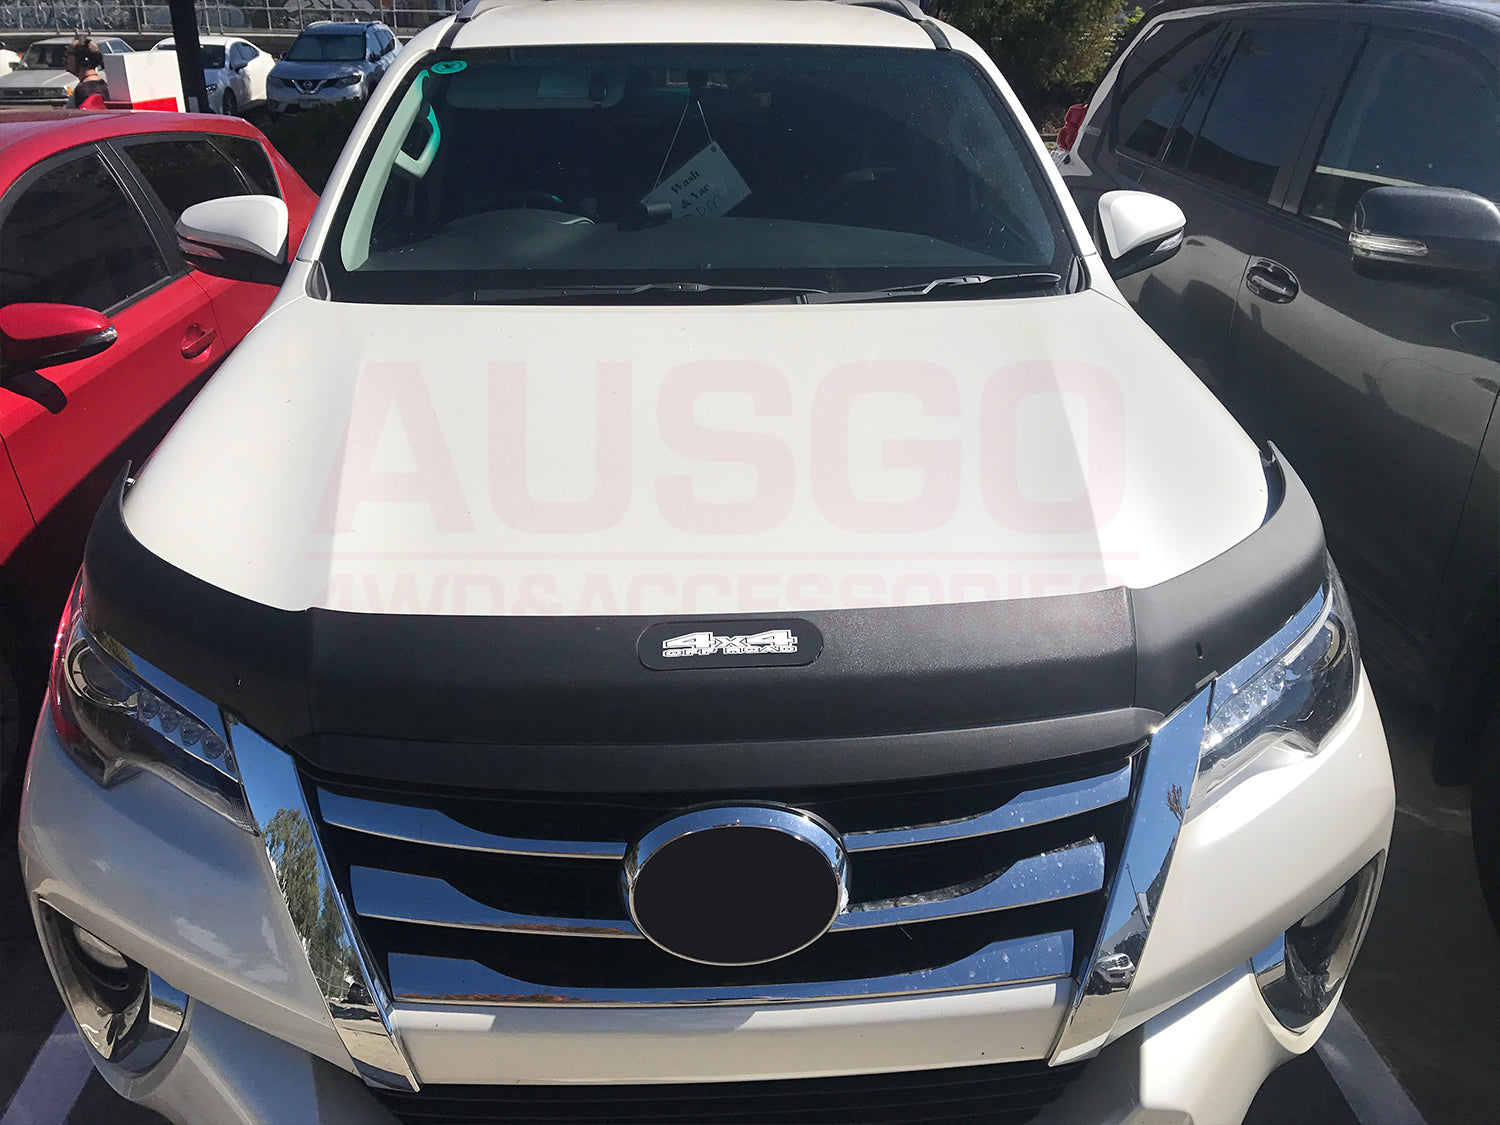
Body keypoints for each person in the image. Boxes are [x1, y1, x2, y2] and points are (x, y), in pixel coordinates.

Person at [64, 39, 108, 108]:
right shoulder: (105, 87)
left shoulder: (83, 92)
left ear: (81, 59)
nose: (66, 59)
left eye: (68, 54)